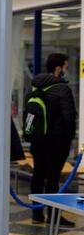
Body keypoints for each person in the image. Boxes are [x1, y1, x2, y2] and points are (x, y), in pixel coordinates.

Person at [28, 53, 77, 226]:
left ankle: (36, 213)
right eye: (65, 66)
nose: (66, 70)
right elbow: (69, 116)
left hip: (37, 140)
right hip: (56, 141)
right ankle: (54, 215)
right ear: (58, 68)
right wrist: (70, 137)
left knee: (38, 175)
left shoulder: (35, 86)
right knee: (53, 178)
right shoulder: (62, 89)